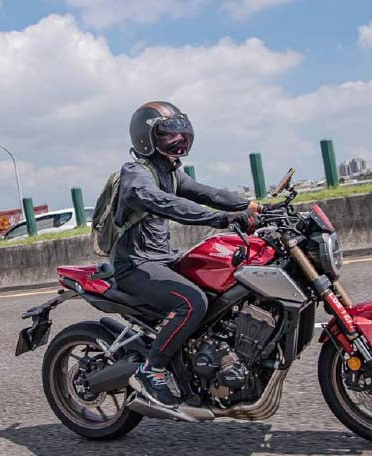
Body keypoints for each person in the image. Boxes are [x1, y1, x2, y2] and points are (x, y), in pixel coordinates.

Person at [114, 101, 275, 408]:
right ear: (146, 139)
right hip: (135, 265)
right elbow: (162, 202)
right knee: (192, 302)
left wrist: (253, 207)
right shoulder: (136, 173)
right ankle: (151, 370)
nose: (178, 140)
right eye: (168, 135)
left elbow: (209, 194)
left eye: (181, 134)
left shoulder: (172, 173)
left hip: (164, 259)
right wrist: (221, 219)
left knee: (223, 289)